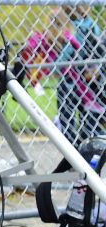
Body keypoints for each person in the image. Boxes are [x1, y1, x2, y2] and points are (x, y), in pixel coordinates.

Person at [51, 5, 105, 146]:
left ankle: (71, 150)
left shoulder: (69, 26)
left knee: (66, 119)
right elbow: (99, 50)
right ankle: (87, 149)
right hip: (87, 81)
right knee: (87, 119)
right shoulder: (93, 25)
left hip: (69, 79)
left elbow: (67, 52)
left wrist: (54, 68)